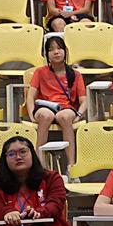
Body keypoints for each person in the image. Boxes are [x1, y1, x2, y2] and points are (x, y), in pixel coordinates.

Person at [27, 35, 86, 167]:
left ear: (65, 51)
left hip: (65, 108)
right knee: (45, 115)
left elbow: (84, 100)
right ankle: (39, 164)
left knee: (64, 116)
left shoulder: (75, 74)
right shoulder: (40, 72)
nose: (56, 52)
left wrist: (79, 114)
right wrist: (31, 114)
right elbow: (31, 96)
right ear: (46, 54)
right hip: (45, 106)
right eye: (51, 49)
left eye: (59, 48)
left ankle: (71, 165)